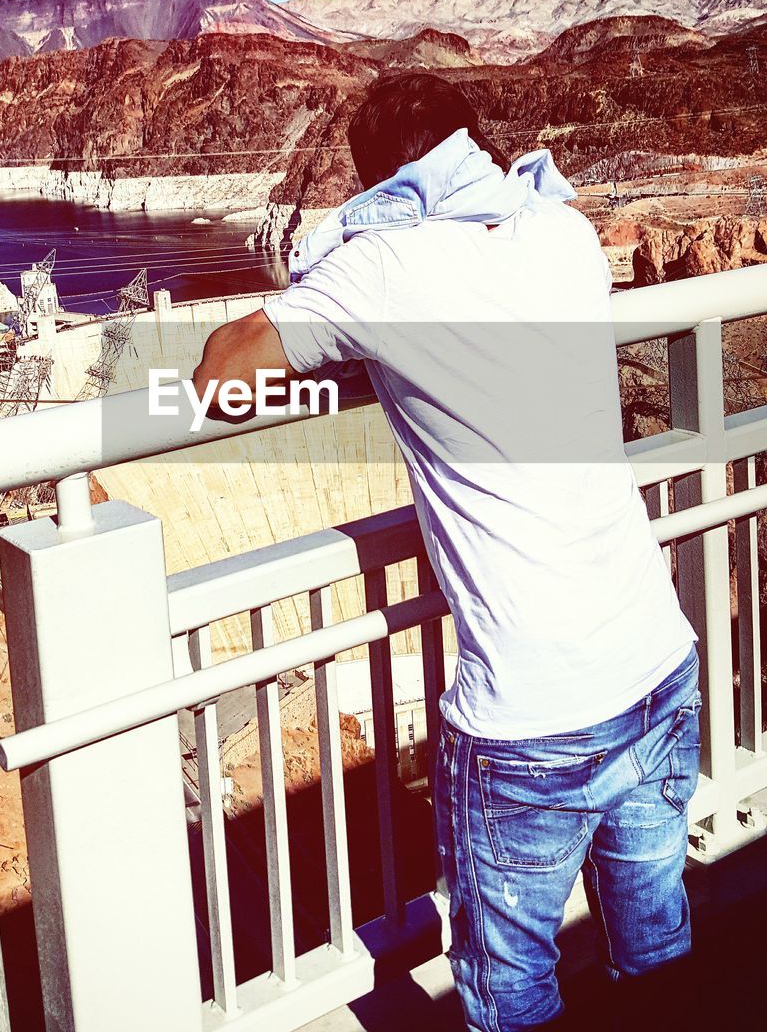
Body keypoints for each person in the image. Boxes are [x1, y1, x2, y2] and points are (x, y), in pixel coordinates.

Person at [191, 71, 699, 1031]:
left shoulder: (382, 269)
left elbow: (218, 380)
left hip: (527, 723)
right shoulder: (562, 229)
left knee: (513, 997)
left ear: (377, 181)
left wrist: (344, 252)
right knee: (659, 958)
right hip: (656, 667)